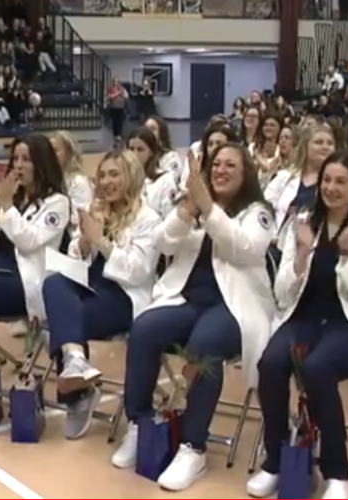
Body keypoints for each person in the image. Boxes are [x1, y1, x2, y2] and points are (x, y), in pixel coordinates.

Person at [111, 143, 275, 492]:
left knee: (204, 345)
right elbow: (163, 244)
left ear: (245, 174)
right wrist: (187, 211)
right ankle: (141, 423)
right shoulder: (194, 205)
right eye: (216, 164)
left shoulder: (258, 212)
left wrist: (208, 207)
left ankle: (193, 446)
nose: (221, 170)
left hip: (235, 307)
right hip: (187, 300)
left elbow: (242, 248)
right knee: (144, 329)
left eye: (231, 165)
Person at [248, 150, 348, 500]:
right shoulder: (304, 221)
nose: (331, 187)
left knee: (318, 367)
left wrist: (346, 256)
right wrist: (299, 254)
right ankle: (277, 459)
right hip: (304, 317)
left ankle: (337, 471)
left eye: (341, 181)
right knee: (270, 363)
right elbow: (282, 293)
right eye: (327, 179)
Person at [41, 150, 160, 441]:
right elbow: (76, 259)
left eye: (114, 174)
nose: (106, 181)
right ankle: (76, 361)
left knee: (63, 319)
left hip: (123, 297)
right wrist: (82, 241)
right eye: (102, 175)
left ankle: (78, 394)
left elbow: (138, 272)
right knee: (54, 283)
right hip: (90, 286)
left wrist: (101, 241)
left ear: (130, 176)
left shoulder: (149, 219)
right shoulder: (98, 211)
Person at [0, 133, 69, 325]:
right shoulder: (13, 197)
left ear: (41, 163)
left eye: (26, 159)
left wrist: (6, 207)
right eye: (15, 159)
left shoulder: (57, 203)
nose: (18, 165)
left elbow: (28, 242)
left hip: (21, 281)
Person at [264, 125, 342, 251]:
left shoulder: (338, 185)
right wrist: (271, 236)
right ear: (305, 147)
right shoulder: (284, 178)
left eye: (330, 143)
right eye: (319, 142)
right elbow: (264, 208)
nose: (325, 147)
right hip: (274, 246)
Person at [127, 126, 178, 219]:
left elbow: (169, 217)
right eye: (131, 149)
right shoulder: (122, 179)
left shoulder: (165, 179)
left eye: (140, 149)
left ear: (151, 152)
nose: (134, 154)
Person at [49, 130, 93, 230]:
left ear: (69, 153)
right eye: (48, 151)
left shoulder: (78, 182)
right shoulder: (47, 181)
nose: (50, 155)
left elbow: (79, 218)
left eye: (55, 151)